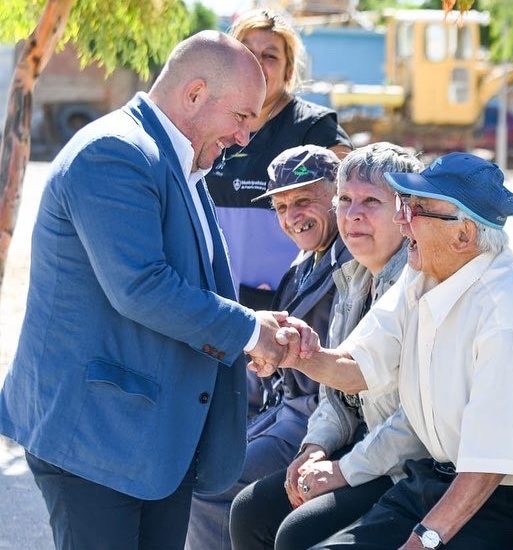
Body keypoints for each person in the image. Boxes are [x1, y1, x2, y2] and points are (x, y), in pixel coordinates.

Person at [0, 32, 291, 550]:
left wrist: (255, 325)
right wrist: (247, 330)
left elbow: (189, 283)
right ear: (195, 93)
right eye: (242, 118)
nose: (247, 137)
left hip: (152, 443)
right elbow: (141, 286)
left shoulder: (181, 156)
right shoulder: (114, 153)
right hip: (97, 440)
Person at [263, 152, 513, 549]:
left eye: (418, 208)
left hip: (495, 497)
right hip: (435, 477)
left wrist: (423, 540)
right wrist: (297, 352)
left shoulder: (507, 309)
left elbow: (489, 468)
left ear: (463, 235)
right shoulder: (425, 273)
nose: (403, 219)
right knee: (299, 538)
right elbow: (359, 367)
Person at [229, 142, 424, 550]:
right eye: (346, 200)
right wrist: (315, 448)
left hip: (412, 467)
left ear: (406, 210)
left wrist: (341, 469)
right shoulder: (351, 274)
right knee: (251, 508)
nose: (353, 214)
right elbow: (334, 395)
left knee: (295, 530)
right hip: (355, 444)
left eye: (371, 201)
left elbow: (415, 424)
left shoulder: (421, 284)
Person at [187, 145, 351, 550]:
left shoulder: (354, 258)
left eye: (303, 201)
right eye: (280, 207)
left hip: (319, 419)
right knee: (192, 453)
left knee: (208, 485)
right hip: (282, 407)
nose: (292, 217)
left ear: (335, 195)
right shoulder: (307, 258)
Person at [208, 8, 351, 311]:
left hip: (287, 304)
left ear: (288, 71)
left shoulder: (312, 127)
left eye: (270, 56)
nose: (257, 63)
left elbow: (353, 196)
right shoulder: (211, 122)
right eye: (247, 52)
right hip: (215, 299)